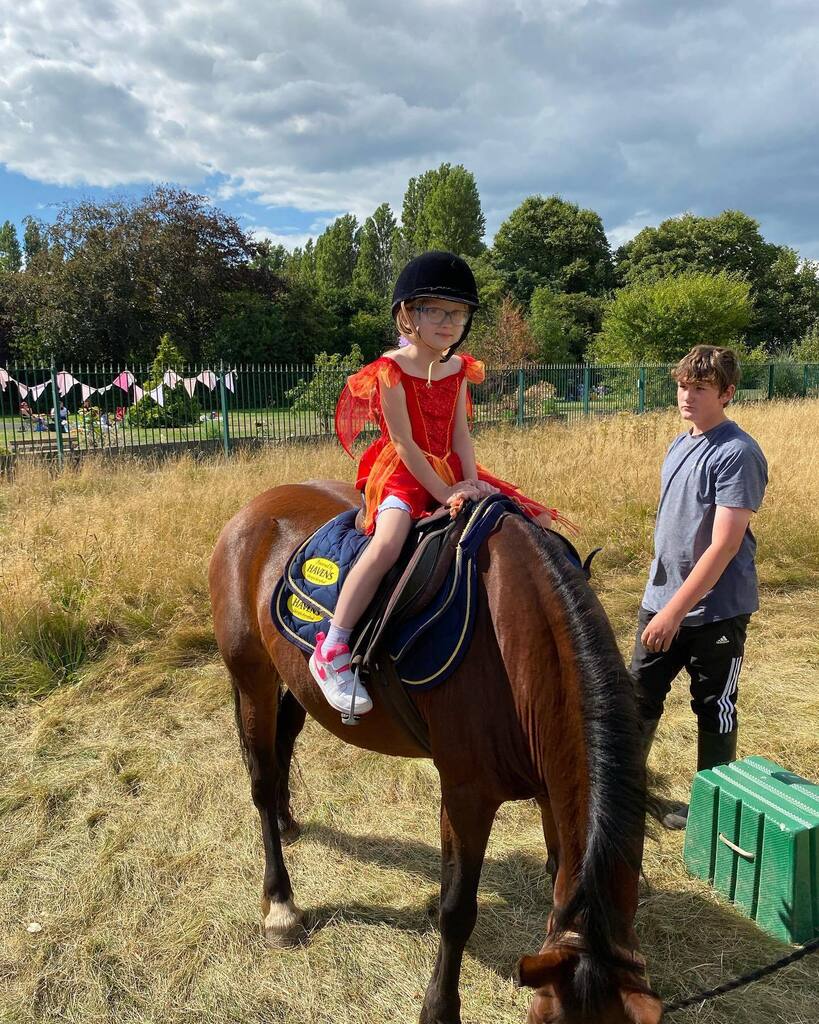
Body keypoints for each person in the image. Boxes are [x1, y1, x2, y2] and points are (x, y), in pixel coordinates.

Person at [309, 251, 570, 716]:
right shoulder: (389, 369)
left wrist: (469, 482)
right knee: (389, 542)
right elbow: (406, 444)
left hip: (451, 469)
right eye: (436, 310)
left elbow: (461, 433)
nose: (449, 322)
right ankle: (333, 646)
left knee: (534, 517)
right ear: (408, 313)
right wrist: (444, 492)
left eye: (458, 313)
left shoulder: (459, 368)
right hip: (403, 473)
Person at [632, 345, 768, 829]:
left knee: (715, 707)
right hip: (659, 600)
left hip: (715, 612)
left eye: (701, 388)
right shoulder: (680, 443)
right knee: (638, 699)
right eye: (683, 385)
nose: (687, 396)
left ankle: (714, 812)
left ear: (727, 393)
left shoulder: (738, 453)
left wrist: (675, 612)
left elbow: (724, 546)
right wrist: (660, 603)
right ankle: (625, 798)